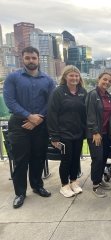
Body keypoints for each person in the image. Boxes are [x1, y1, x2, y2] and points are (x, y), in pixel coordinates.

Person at [3, 46, 55, 209]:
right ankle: (20, 193)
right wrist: (29, 116)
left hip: (40, 123)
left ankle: (37, 186)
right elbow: (10, 101)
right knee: (20, 160)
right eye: (28, 58)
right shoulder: (13, 78)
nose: (31, 61)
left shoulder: (48, 80)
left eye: (33, 58)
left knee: (38, 157)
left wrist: (38, 118)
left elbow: (51, 102)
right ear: (22, 59)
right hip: (19, 124)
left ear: (38, 59)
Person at [47, 65, 87, 198]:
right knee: (66, 159)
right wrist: (54, 136)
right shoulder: (58, 92)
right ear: (65, 77)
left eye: (76, 75)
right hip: (64, 134)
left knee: (76, 159)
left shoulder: (82, 92)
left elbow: (86, 113)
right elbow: (52, 114)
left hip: (78, 133)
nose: (74, 78)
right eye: (71, 75)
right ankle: (64, 185)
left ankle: (74, 181)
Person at [86, 72, 111, 198]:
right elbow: (90, 114)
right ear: (99, 79)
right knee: (97, 159)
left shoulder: (109, 96)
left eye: (109, 81)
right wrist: (95, 132)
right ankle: (95, 185)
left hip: (106, 133)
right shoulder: (93, 94)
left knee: (103, 158)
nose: (107, 82)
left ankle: (100, 179)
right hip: (96, 134)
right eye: (104, 79)